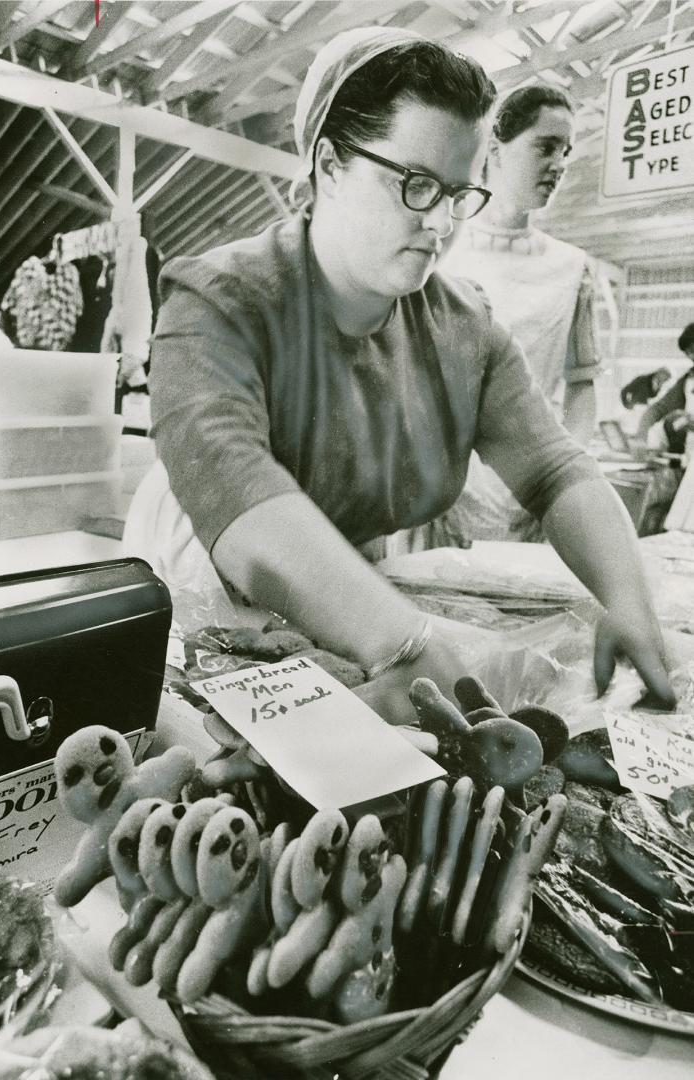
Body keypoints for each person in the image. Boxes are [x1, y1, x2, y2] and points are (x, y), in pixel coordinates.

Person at [124, 27, 674, 722]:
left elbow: (555, 472)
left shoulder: (461, 327)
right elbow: (237, 493)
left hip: (353, 597)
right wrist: (403, 641)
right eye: (415, 185)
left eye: (458, 193)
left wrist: (628, 602)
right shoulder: (217, 300)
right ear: (328, 165)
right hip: (205, 594)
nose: (441, 223)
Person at [423, 82, 603, 545]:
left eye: (566, 150)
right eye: (546, 147)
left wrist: (560, 482)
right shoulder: (439, 251)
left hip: (530, 499)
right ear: (496, 151)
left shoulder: (572, 269)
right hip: (438, 498)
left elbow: (582, 386)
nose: (560, 165)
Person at [637, 323, 694, 452]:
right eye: (688, 353)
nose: (692, 357)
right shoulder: (688, 380)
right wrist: (641, 439)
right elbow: (657, 410)